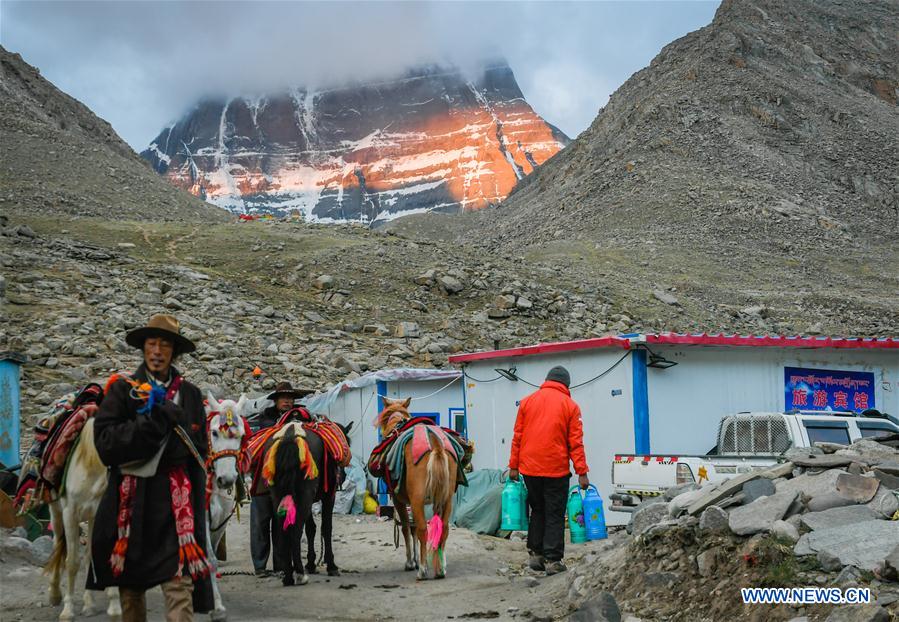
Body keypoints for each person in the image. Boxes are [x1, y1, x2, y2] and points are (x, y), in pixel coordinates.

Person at [89, 314, 212, 621]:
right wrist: (152, 422)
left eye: (165, 345)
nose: (157, 351)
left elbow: (200, 453)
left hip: (176, 508)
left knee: (179, 585)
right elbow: (105, 445)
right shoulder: (123, 391)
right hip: (133, 507)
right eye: (152, 344)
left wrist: (202, 508)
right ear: (143, 349)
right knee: (131, 593)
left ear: (174, 352)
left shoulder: (192, 395)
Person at [508, 365, 589, 576]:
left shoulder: (527, 402)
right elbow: (575, 443)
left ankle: (535, 554)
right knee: (554, 513)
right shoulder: (571, 406)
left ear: (547, 380)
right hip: (556, 469)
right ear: (566, 384)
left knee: (538, 510)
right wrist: (582, 472)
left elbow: (517, 436)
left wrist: (513, 466)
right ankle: (553, 560)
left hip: (529, 469)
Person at [249, 381, 313, 577]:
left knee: (281, 523)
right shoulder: (264, 420)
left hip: (286, 482)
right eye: (283, 398)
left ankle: (280, 565)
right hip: (262, 479)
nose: (287, 401)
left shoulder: (301, 420)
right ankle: (260, 567)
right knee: (260, 523)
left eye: (290, 398)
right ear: (276, 400)